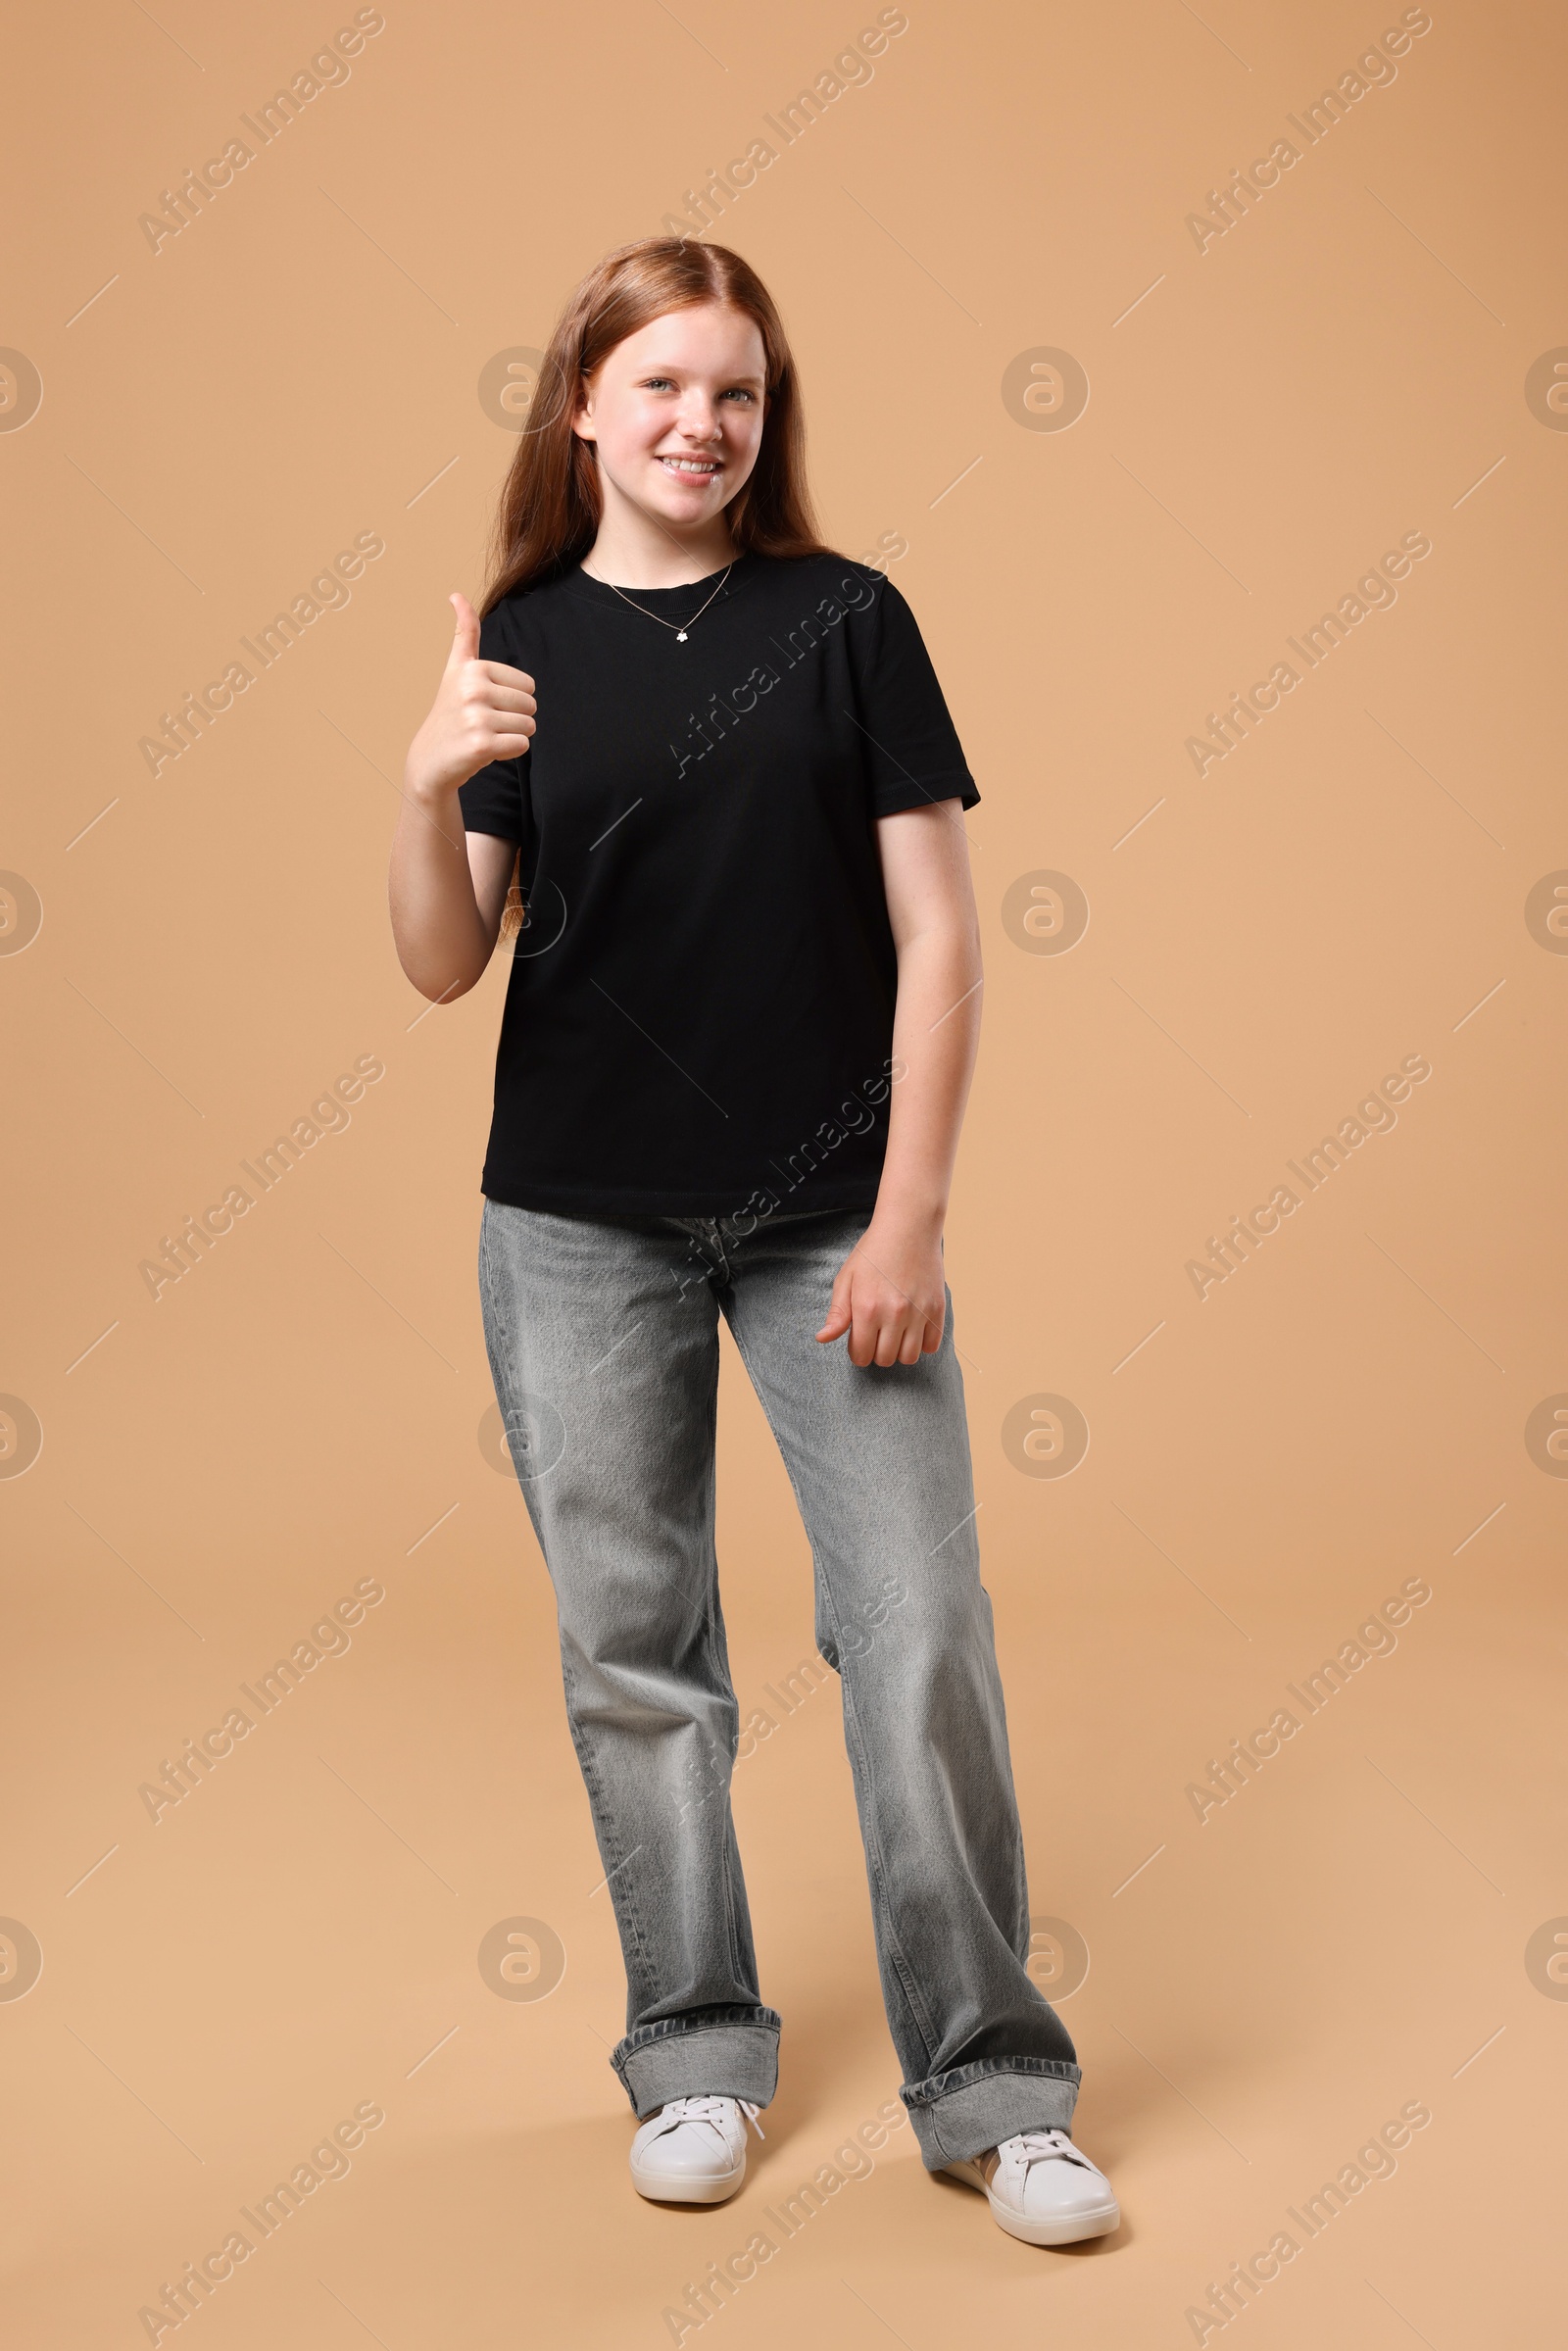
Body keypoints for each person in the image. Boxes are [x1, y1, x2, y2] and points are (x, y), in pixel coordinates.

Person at [387, 234, 1118, 2250]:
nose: (703, 423)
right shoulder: (521, 644)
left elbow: (941, 938)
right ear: (582, 412)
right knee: (638, 1658)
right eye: (663, 389)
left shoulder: (845, 619)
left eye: (737, 392)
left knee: (914, 1636)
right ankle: (693, 2051)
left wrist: (907, 1217)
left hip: (826, 1227)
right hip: (572, 1225)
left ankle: (992, 2088)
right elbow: (445, 965)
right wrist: (424, 776)